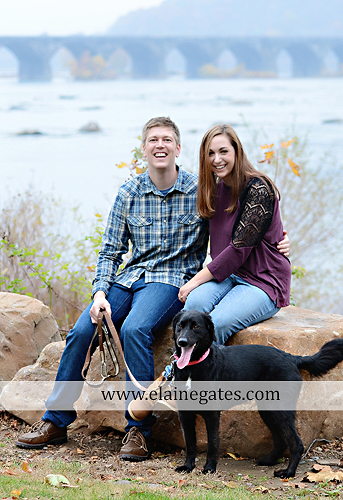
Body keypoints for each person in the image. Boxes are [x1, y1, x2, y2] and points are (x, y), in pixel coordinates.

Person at [16, 117, 289, 461]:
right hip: (128, 279)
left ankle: (137, 429)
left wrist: (279, 240)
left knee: (136, 328)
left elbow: (244, 228)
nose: (160, 145)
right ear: (143, 148)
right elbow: (110, 250)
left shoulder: (200, 190)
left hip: (171, 280)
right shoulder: (129, 193)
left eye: (167, 140)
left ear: (178, 148)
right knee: (83, 329)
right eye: (153, 140)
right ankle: (55, 421)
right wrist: (100, 293)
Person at [178, 124, 291, 345]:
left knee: (216, 323)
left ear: (237, 152)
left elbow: (239, 249)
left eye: (223, 151)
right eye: (210, 153)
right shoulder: (214, 190)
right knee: (193, 307)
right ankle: (183, 371)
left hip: (263, 280)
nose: (216, 159)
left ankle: (207, 379)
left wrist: (193, 282)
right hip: (228, 275)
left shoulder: (259, 189)